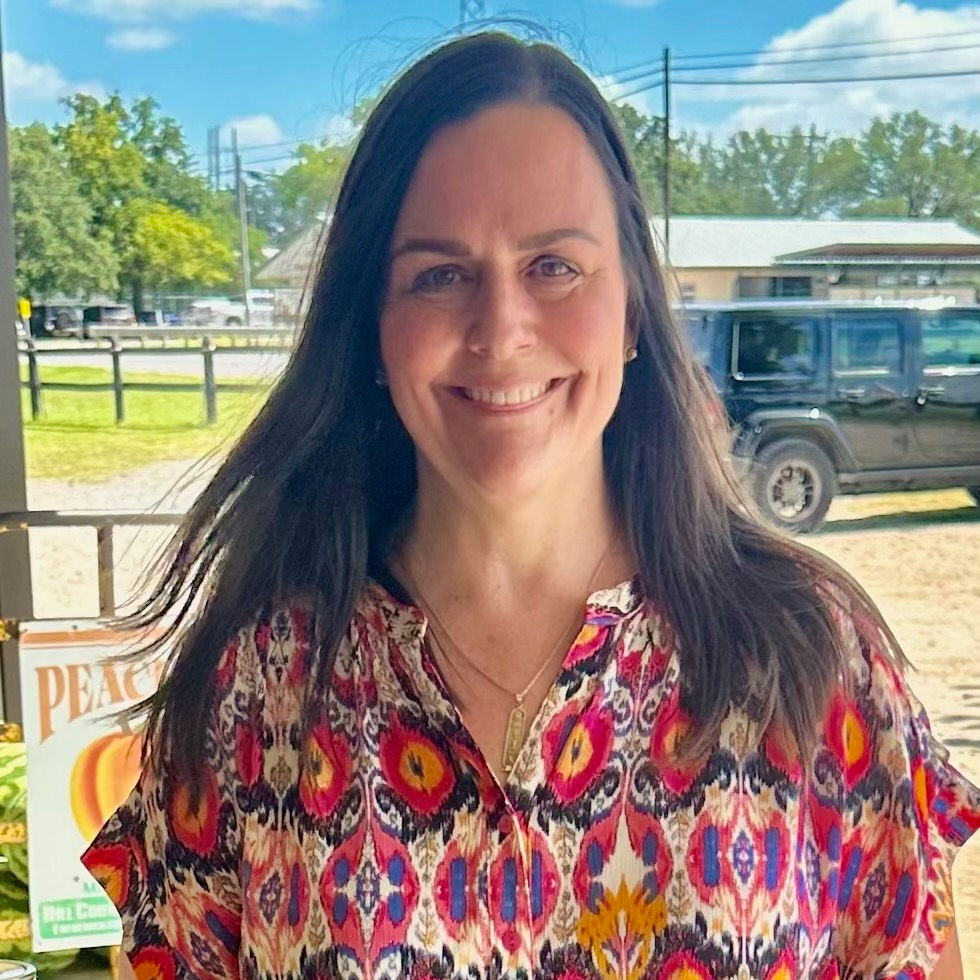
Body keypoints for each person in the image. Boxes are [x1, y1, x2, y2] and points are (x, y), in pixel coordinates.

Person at [82, 32, 979, 980]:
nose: (501, 330)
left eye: (554, 265)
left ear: (633, 308)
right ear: (373, 328)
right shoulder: (256, 688)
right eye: (439, 273)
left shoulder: (810, 656)